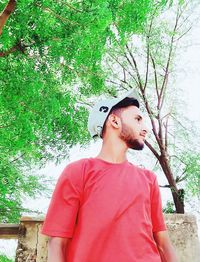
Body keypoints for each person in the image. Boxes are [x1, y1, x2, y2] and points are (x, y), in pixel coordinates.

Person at [41, 90, 178, 262]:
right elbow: (57, 244)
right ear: (114, 121)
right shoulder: (78, 171)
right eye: (137, 119)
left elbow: (163, 243)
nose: (145, 129)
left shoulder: (148, 179)